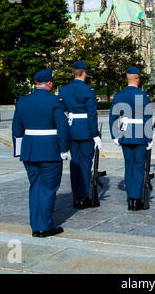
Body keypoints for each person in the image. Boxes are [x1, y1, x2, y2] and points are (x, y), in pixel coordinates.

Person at [12, 68, 69, 238]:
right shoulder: (55, 101)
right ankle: (44, 227)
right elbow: (62, 127)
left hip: (29, 150)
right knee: (48, 188)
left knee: (35, 188)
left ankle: (36, 226)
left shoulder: (22, 101)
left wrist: (19, 150)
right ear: (49, 83)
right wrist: (64, 149)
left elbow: (16, 128)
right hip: (50, 151)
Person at [109, 67, 153, 211]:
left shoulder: (119, 96)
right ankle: (135, 198)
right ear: (138, 79)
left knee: (129, 166)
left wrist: (115, 135)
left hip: (125, 134)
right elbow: (147, 118)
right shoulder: (143, 96)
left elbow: (113, 117)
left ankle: (130, 199)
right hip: (140, 134)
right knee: (139, 167)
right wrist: (149, 138)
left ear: (127, 79)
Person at [58, 61, 101, 210]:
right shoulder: (88, 90)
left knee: (75, 163)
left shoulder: (64, 90)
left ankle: (76, 197)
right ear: (84, 73)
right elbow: (92, 114)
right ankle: (84, 196)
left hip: (71, 130)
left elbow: (61, 112)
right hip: (85, 131)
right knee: (86, 163)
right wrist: (95, 134)